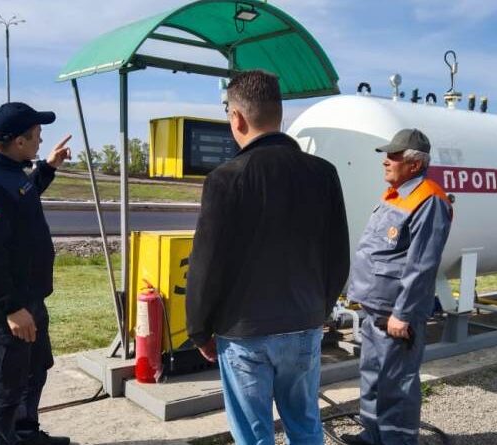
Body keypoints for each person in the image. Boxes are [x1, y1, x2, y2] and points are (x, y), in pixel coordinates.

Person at [185, 70, 350, 445]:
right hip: (303, 324)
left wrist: (199, 329)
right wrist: (316, 311)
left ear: (237, 118)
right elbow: (338, 255)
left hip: (245, 333)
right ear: (278, 114)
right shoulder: (324, 174)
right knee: (305, 423)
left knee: (254, 434)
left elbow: (206, 265)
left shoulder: (226, 179)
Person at [0, 102, 72, 445]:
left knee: (34, 371)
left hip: (29, 297)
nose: (40, 142)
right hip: (12, 308)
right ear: (19, 142)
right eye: (37, 136)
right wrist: (9, 308)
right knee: (7, 389)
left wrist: (48, 168)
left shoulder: (9, 170)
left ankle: (26, 434)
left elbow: (24, 196)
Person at [342, 128, 453, 445]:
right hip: (375, 310)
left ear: (415, 164)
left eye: (394, 156)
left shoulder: (429, 200)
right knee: (374, 376)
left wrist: (403, 314)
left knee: (397, 383)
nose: (386, 162)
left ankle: (399, 441)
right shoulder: (396, 195)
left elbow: (422, 264)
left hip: (395, 315)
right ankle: (372, 435)